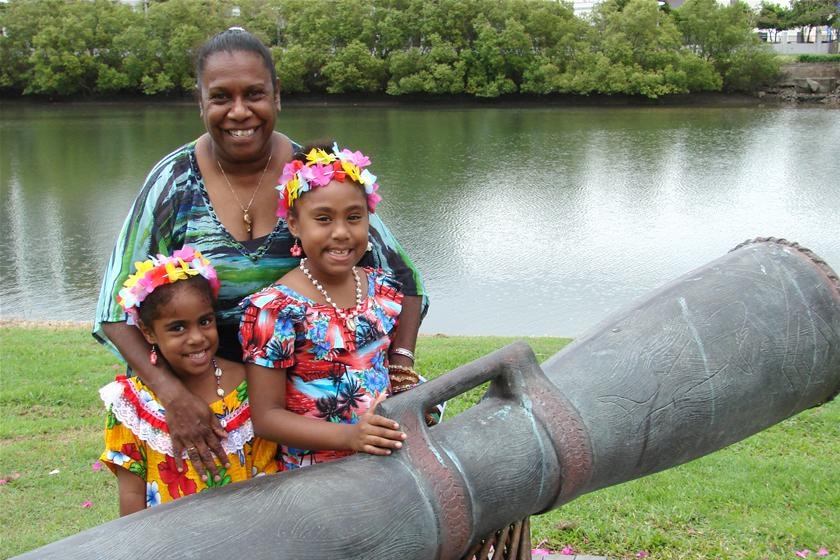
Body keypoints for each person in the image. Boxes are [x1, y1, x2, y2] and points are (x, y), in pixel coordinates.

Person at [93, 27, 427, 480]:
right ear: (200, 102)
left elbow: (405, 281)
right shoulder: (173, 182)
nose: (239, 112)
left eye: (254, 94)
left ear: (277, 96)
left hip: (312, 410)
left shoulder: (314, 175)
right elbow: (114, 309)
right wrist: (174, 396)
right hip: (205, 402)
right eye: (220, 97)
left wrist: (400, 365)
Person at [240, 142, 416, 469]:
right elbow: (266, 417)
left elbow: (384, 371)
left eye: (354, 217)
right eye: (323, 219)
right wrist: (350, 437)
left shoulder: (383, 289)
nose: (341, 233)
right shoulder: (273, 310)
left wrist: (406, 385)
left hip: (385, 463)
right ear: (294, 224)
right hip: (316, 479)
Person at [98, 246, 280, 515]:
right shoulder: (131, 404)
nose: (196, 337)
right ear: (148, 332)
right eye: (178, 327)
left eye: (205, 321)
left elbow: (267, 473)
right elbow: (132, 494)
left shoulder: (247, 385)